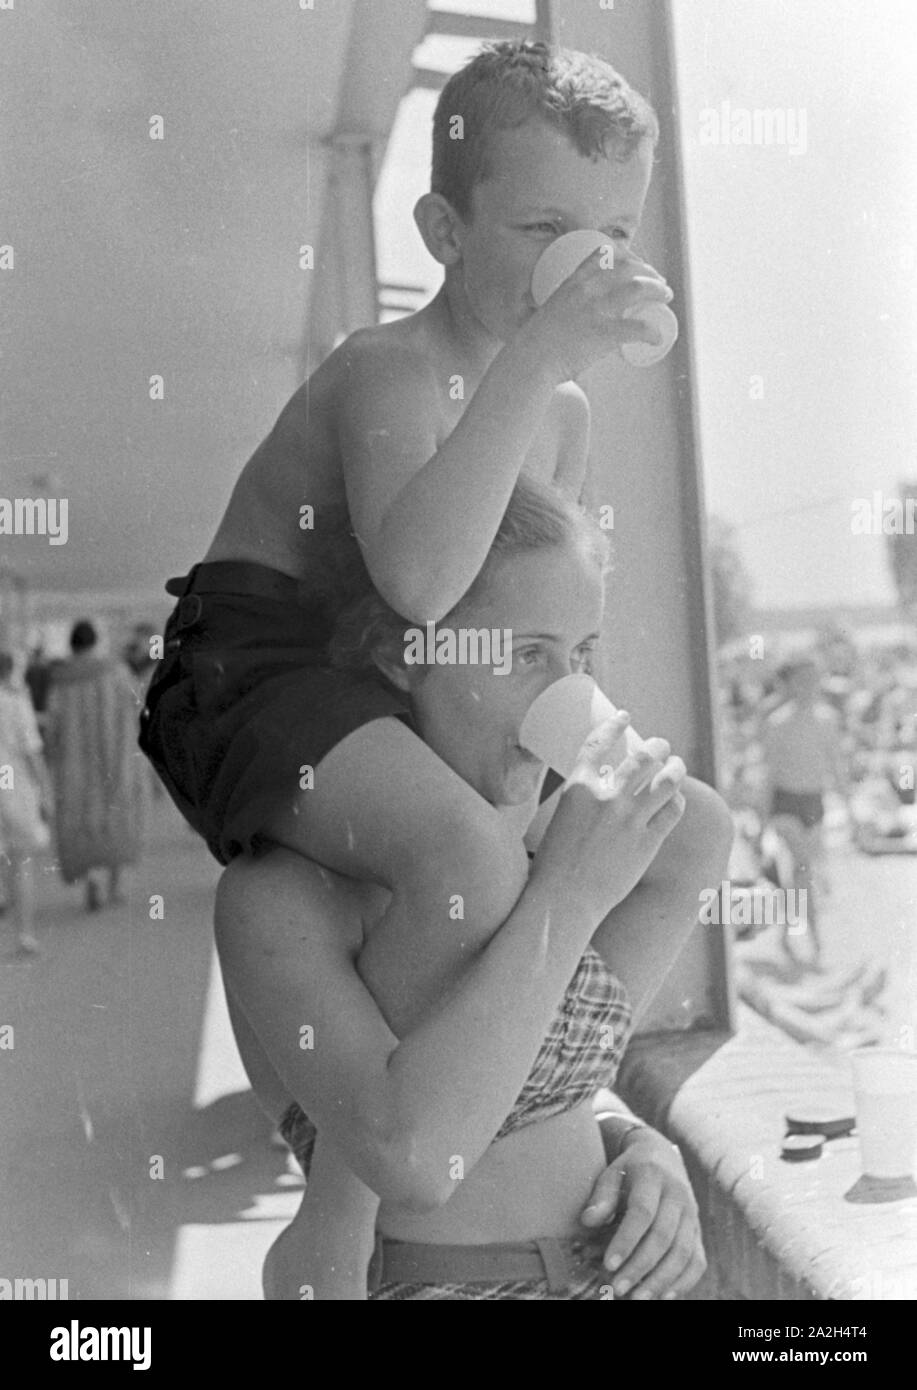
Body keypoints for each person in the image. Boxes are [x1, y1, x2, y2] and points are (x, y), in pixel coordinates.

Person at [138, 40, 731, 1291]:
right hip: (260, 666)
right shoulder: (388, 371)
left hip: (408, 675)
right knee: (461, 855)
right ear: (442, 232)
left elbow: (516, 592)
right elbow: (419, 580)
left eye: (613, 231)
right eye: (545, 226)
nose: (589, 260)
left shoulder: (557, 416)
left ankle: (555, 1085)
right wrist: (531, 360)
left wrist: (564, 728)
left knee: (680, 824)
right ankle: (341, 1215)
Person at [216, 477, 734, 1300]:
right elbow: (410, 1157)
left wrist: (636, 1143)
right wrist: (565, 898)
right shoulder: (286, 896)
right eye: (527, 654)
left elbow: (540, 1082)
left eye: (581, 655)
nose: (569, 694)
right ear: (401, 656)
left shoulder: (569, 852)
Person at [45, 621, 146, 911]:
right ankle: (114, 886)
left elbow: (53, 726)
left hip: (74, 764)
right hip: (115, 757)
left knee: (80, 817)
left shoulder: (61, 679)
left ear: (72, 645)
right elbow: (136, 706)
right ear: (94, 642)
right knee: (116, 812)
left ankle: (91, 881)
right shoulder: (117, 672)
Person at [759, 654, 848, 962]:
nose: (810, 685)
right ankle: (815, 941)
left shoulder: (827, 719)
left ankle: (787, 934)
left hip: (814, 803)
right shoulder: (777, 722)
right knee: (803, 869)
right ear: (791, 684)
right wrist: (761, 820)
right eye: (803, 680)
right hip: (785, 804)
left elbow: (836, 766)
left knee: (800, 876)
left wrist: (850, 809)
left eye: (814, 678)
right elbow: (768, 775)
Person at [0, 650, 51, 956]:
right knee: (22, 861)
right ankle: (25, 934)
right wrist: (45, 791)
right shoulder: (16, 703)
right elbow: (32, 751)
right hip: (13, 787)